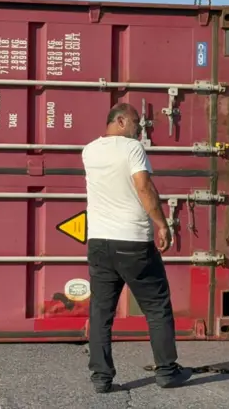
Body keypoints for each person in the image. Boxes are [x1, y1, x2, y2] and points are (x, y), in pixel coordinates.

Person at [81, 103, 191, 393]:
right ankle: (166, 371)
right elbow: (144, 187)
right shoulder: (132, 149)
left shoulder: (89, 151)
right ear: (120, 121)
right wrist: (162, 224)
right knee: (156, 306)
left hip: (99, 242)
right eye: (135, 122)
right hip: (132, 241)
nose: (139, 129)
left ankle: (101, 378)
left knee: (101, 313)